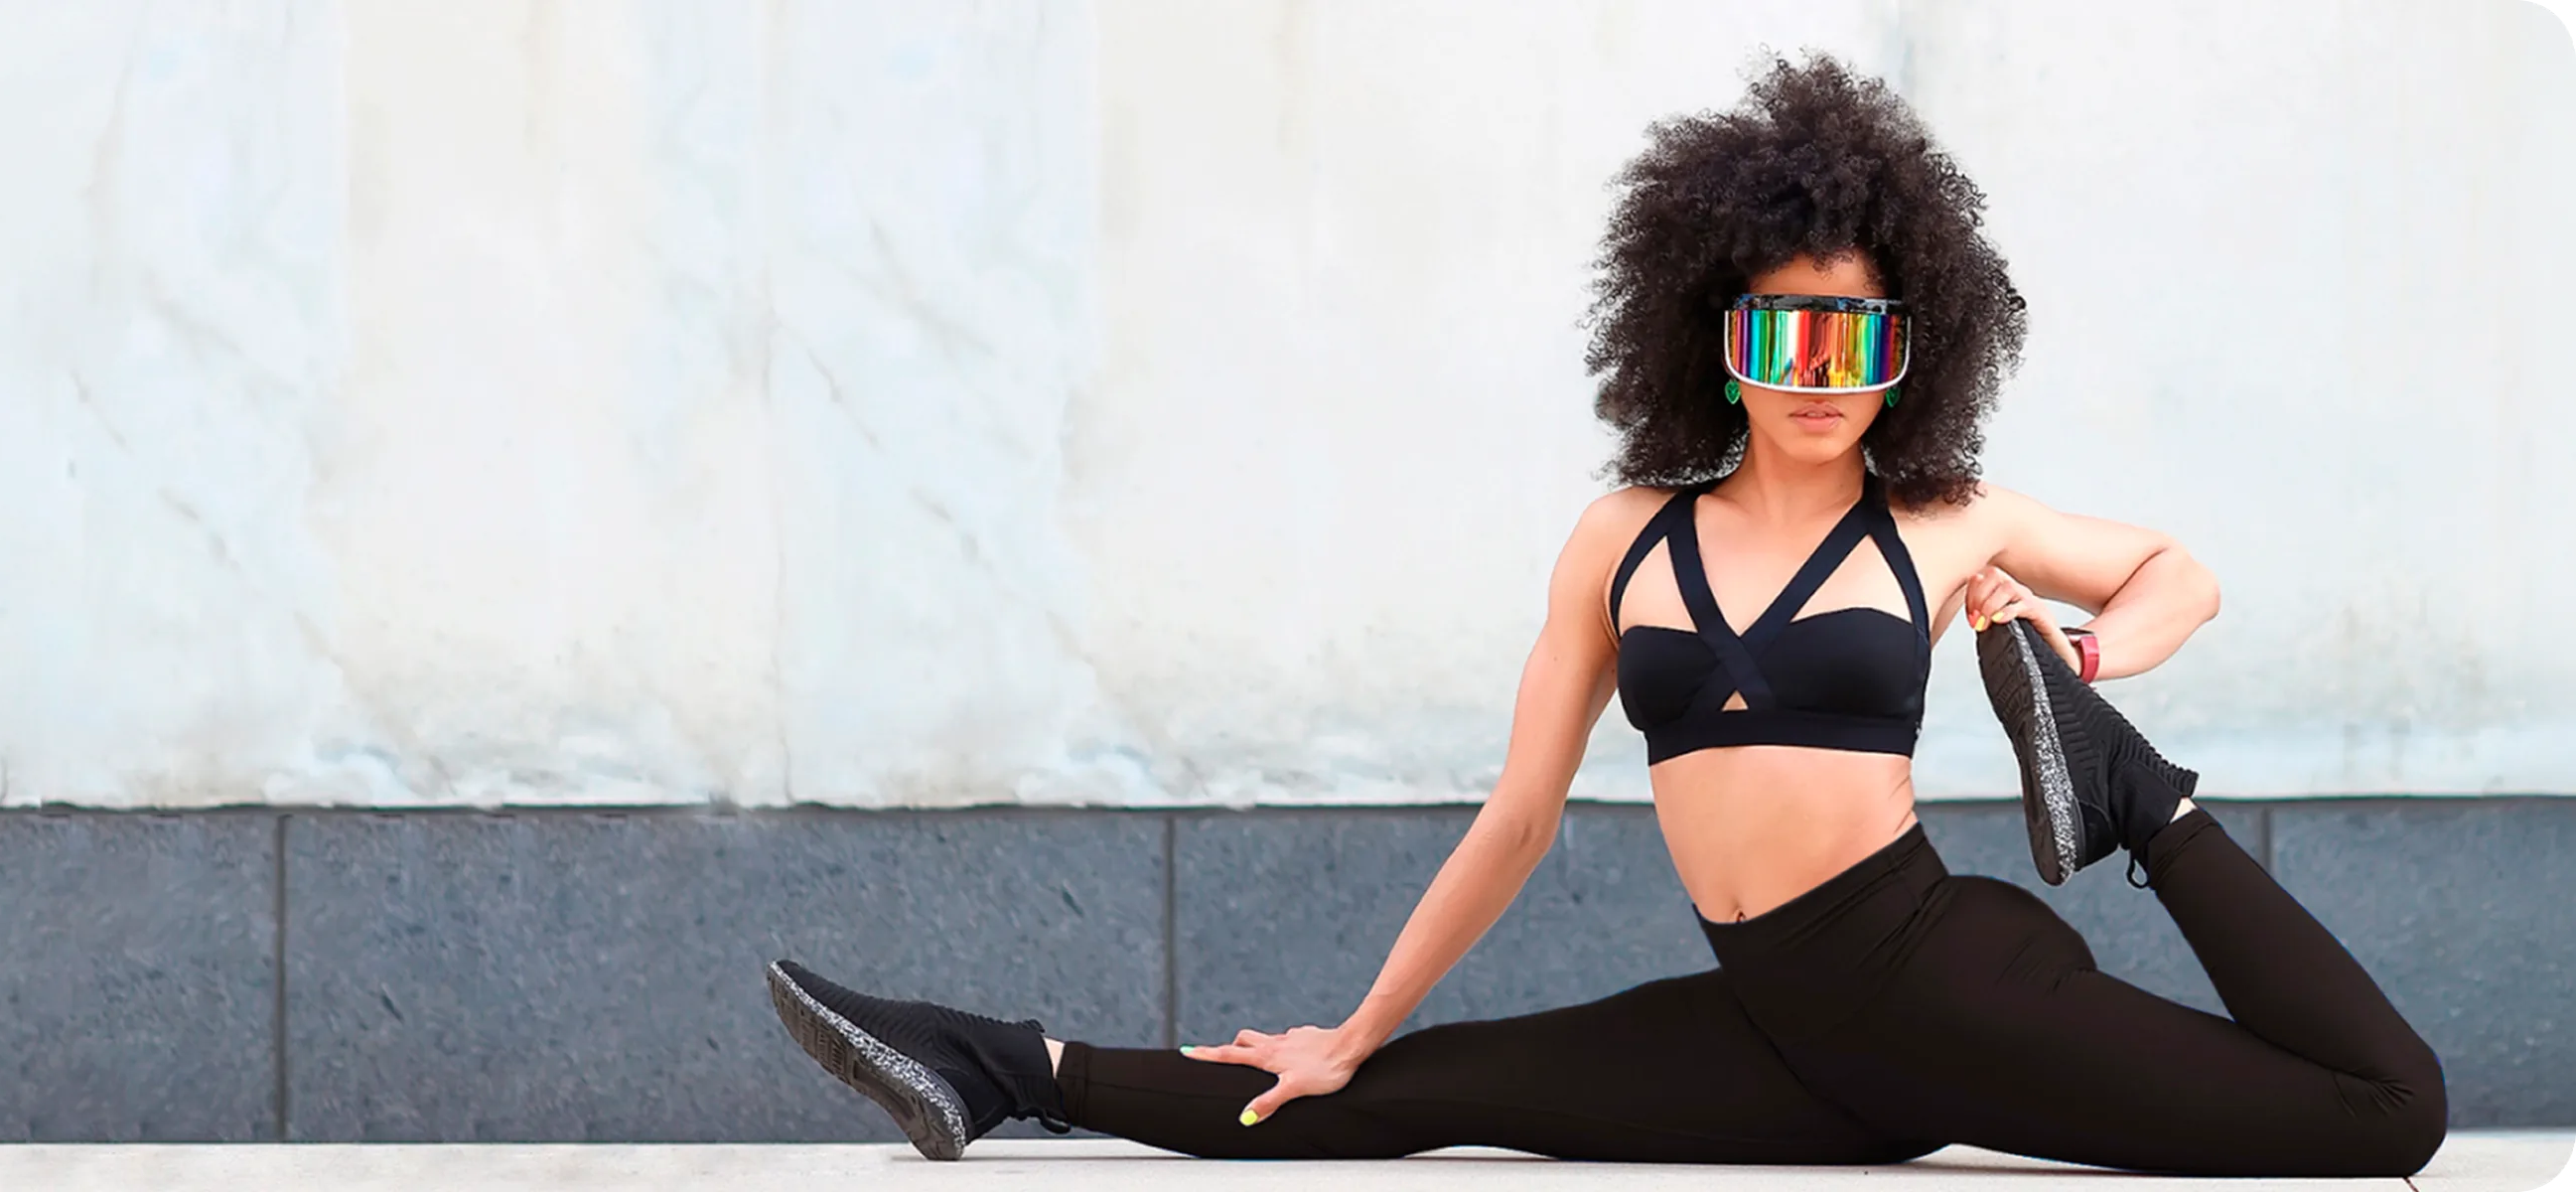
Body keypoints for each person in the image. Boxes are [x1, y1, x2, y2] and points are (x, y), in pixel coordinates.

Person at [761, 54, 2446, 1178]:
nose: (1814, 377)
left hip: (1943, 978)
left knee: (2387, 1120)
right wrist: (1362, 1021)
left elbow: (2181, 574)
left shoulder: (1945, 521)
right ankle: (1001, 1067)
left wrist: (2087, 660)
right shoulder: (1620, 538)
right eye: (1779, 334)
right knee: (1411, 1096)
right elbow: (1515, 819)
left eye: (1854, 341)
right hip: (1784, 1028)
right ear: (1714, 339)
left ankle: (2130, 794)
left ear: (1906, 353)